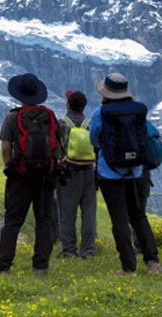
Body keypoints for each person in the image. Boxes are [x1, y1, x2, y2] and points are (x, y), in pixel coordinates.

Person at [90, 73, 162, 276]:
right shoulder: (138, 110)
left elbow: (94, 139)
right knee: (139, 216)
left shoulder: (100, 113)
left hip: (109, 172)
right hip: (136, 171)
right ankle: (152, 262)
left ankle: (128, 267)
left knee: (119, 219)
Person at [0, 73, 62, 276]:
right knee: (44, 220)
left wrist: (11, 166)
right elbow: (58, 148)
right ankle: (41, 267)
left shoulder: (12, 117)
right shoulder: (50, 116)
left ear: (19, 96)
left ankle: (3, 266)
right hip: (46, 176)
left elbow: (6, 147)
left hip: (20, 176)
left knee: (13, 221)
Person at [56, 90, 97, 259]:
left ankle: (69, 250)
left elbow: (57, 148)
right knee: (88, 213)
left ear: (68, 105)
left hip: (68, 172)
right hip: (89, 171)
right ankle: (88, 251)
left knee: (67, 213)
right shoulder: (91, 124)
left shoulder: (62, 124)